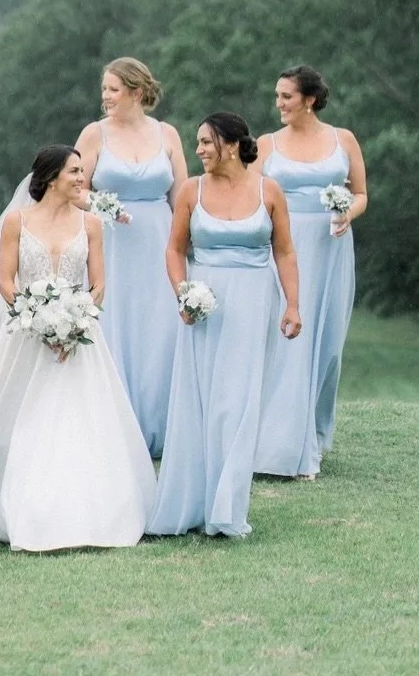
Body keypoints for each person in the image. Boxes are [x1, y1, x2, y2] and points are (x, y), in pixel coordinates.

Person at [0, 146, 155, 551]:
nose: (82, 177)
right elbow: (5, 280)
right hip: (26, 338)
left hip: (79, 340)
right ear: (51, 178)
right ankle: (20, 507)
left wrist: (76, 320)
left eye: (82, 170)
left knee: (82, 423)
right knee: (21, 421)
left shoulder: (90, 225)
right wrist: (34, 316)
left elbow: (99, 283)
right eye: (74, 171)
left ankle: (89, 512)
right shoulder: (17, 222)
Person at [148, 113, 301, 539]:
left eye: (206, 142)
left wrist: (293, 305)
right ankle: (191, 501)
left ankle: (227, 506)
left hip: (254, 303)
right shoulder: (190, 191)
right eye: (196, 143)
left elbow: (285, 252)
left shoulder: (269, 190)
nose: (198, 150)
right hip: (204, 304)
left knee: (238, 401)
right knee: (200, 400)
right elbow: (175, 250)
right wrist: (183, 293)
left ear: (232, 145)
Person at [253, 66, 367, 478]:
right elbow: (250, 194)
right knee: (287, 343)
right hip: (285, 247)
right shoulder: (266, 145)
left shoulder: (344, 139)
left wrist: (346, 213)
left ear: (310, 100)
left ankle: (314, 434)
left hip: (332, 246)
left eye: (286, 96)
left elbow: (361, 194)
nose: (279, 103)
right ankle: (279, 444)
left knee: (329, 342)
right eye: (277, 96)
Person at [75, 57, 187, 456]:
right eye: (104, 89)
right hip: (111, 244)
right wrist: (103, 206)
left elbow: (183, 197)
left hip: (158, 240)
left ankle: (160, 426)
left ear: (137, 93)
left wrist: (189, 244)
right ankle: (116, 431)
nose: (105, 97)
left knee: (159, 330)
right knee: (115, 326)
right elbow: (73, 188)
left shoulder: (167, 134)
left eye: (113, 90)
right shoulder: (94, 135)